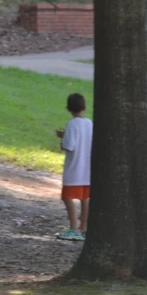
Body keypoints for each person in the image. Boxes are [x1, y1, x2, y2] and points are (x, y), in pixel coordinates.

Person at [55, 93, 92, 242]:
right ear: (84, 107)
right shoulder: (89, 123)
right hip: (87, 169)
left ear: (69, 109)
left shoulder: (71, 124)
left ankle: (73, 228)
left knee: (67, 197)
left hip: (74, 168)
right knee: (85, 198)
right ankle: (84, 228)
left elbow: (69, 145)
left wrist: (62, 140)